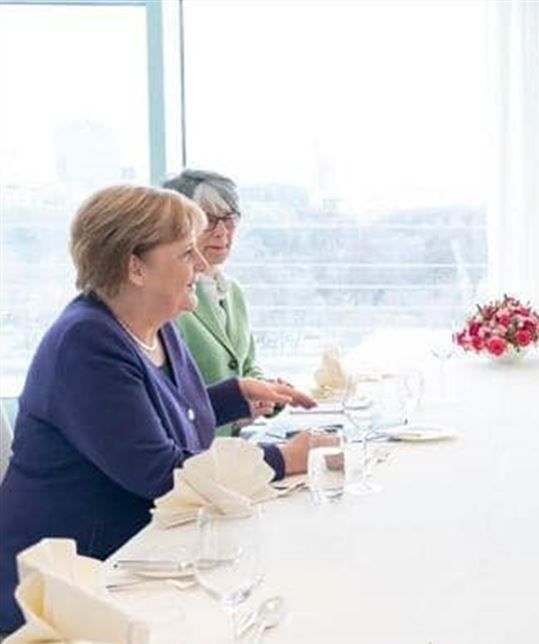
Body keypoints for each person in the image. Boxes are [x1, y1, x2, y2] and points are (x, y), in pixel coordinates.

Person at [0, 185, 325, 631]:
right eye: (186, 252)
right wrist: (284, 459)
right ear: (135, 266)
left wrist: (235, 395)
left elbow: (164, 417)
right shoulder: (85, 343)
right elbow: (160, 473)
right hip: (70, 587)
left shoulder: (156, 325)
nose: (202, 264)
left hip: (138, 558)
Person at [162, 171, 272, 431]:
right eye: (208, 220)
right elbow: (169, 398)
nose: (222, 232)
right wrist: (238, 402)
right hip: (193, 447)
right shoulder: (170, 301)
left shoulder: (233, 292)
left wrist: (267, 393)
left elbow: (247, 364)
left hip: (232, 444)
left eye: (229, 219)